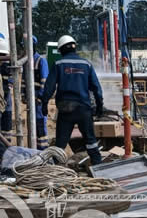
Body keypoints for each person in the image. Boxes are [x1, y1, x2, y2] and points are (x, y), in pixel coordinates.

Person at [41, 34, 103, 166]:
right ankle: (99, 168)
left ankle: (57, 172)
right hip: (84, 109)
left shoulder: (58, 64)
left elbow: (49, 87)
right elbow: (96, 88)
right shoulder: (86, 64)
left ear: (61, 49)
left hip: (65, 109)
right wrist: (99, 107)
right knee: (91, 141)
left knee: (61, 144)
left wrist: (44, 104)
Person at [25, 35, 50, 150]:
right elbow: (23, 81)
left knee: (40, 125)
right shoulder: (26, 61)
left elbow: (45, 82)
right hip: (31, 100)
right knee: (31, 125)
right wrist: (23, 95)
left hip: (38, 101)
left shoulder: (41, 61)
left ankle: (43, 151)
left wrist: (40, 98)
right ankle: (34, 149)